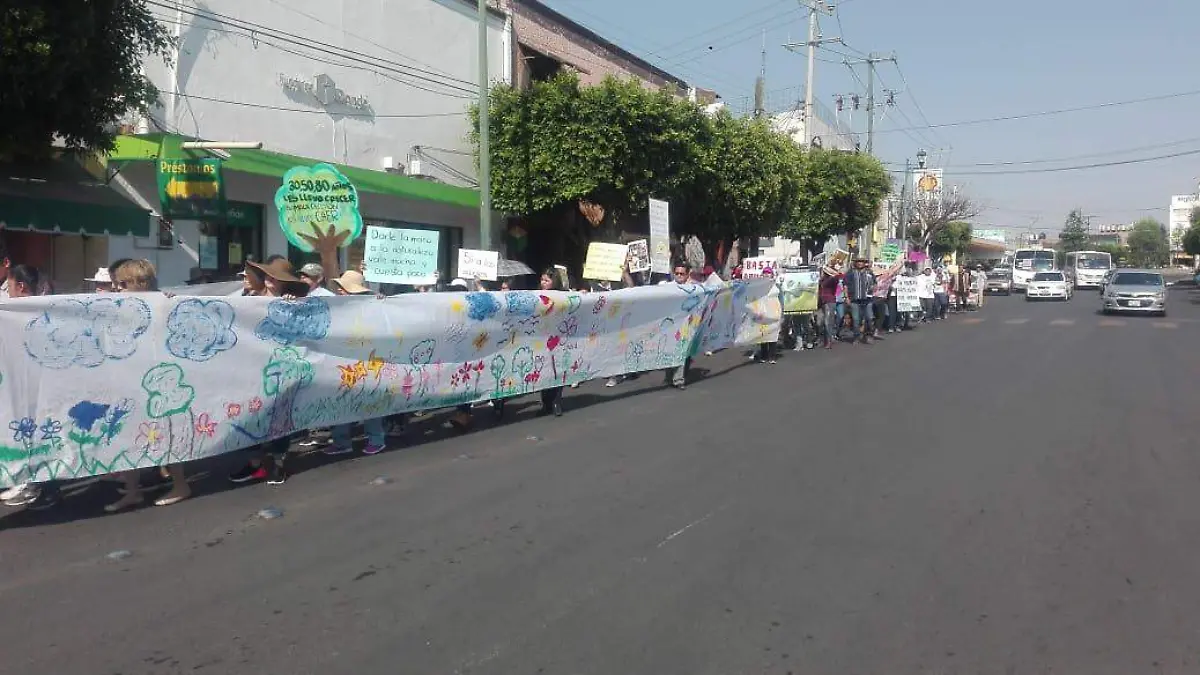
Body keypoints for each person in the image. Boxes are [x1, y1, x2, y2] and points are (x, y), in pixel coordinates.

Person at [106, 259, 193, 512]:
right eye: (116, 284)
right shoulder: (119, 305)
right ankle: (133, 492)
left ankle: (180, 485)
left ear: (138, 283)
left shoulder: (163, 302)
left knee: (167, 433)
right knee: (126, 433)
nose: (117, 288)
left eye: (122, 283)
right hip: (129, 379)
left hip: (157, 381)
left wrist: (172, 302)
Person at [229, 258, 311, 486]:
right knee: (252, 415)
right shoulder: (249, 301)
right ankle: (255, 465)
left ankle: (278, 463)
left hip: (281, 370)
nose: (270, 279)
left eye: (276, 277)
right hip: (252, 371)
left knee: (279, 418)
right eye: (268, 275)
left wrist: (292, 306)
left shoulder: (293, 303)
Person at [0, 266, 64, 509]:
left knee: (42, 437)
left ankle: (49, 490)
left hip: (37, 387)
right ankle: (31, 484)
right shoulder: (44, 307)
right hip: (28, 384)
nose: (9, 292)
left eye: (11, 286)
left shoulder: (26, 311)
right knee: (31, 437)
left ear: (21, 287)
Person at [323, 271, 388, 456]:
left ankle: (376, 439)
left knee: (370, 401)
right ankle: (341, 441)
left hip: (368, 361)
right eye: (339, 288)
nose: (339, 291)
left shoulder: (374, 306)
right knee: (339, 400)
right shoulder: (336, 306)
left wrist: (382, 304)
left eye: (343, 288)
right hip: (342, 362)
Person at [661, 263, 693, 388]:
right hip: (670, 324)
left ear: (687, 275)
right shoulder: (667, 288)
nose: (679, 276)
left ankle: (678, 380)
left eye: (682, 274)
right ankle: (669, 377)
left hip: (685, 325)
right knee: (669, 352)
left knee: (681, 352)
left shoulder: (692, 288)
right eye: (677, 273)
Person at [844, 257, 876, 344]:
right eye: (858, 262)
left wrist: (873, 288)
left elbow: (875, 283)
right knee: (856, 320)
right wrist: (846, 297)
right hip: (855, 300)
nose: (860, 263)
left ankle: (868, 335)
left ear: (864, 263)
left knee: (869, 318)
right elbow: (845, 285)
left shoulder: (869, 272)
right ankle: (856, 337)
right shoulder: (850, 273)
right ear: (855, 263)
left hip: (867, 300)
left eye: (862, 262)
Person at [818, 260, 846, 348]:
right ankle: (823, 339)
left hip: (830, 302)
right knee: (820, 322)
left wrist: (835, 270)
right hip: (821, 302)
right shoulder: (822, 279)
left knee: (828, 322)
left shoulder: (832, 280)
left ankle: (829, 341)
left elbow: (836, 278)